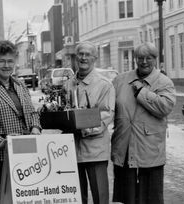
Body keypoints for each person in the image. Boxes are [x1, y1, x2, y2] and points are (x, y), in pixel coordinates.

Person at [111, 42, 176, 204]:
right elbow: (108, 108)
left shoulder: (164, 82)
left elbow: (164, 107)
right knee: (128, 198)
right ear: (135, 60)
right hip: (124, 148)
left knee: (150, 198)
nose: (144, 62)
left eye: (149, 58)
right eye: (140, 58)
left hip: (150, 150)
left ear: (155, 59)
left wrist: (141, 92)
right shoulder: (120, 80)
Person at [0, 40, 41, 204]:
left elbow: (32, 111)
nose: (6, 65)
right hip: (0, 154)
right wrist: (1, 142)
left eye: (10, 61)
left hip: (27, 149)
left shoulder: (20, 84)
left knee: (27, 196)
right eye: (2, 61)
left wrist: (35, 127)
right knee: (4, 198)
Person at [64, 41, 115, 204]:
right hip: (72, 150)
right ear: (75, 57)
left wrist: (84, 129)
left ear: (95, 58)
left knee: (100, 197)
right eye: (80, 54)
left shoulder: (104, 84)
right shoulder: (68, 84)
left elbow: (107, 115)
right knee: (76, 198)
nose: (83, 58)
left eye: (87, 54)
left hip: (95, 150)